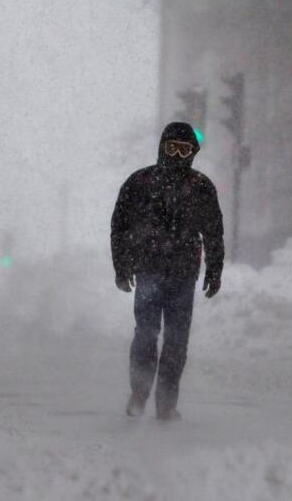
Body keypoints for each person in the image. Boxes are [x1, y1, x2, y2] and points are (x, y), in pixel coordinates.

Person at [110, 122, 225, 420]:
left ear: (193, 153)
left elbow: (213, 232)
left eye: (184, 150)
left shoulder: (201, 187)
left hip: (183, 275)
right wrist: (121, 266)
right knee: (146, 334)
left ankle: (166, 404)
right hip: (147, 270)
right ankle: (139, 395)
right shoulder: (139, 182)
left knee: (176, 339)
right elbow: (119, 227)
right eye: (171, 147)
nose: (176, 155)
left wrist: (215, 268)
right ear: (162, 147)